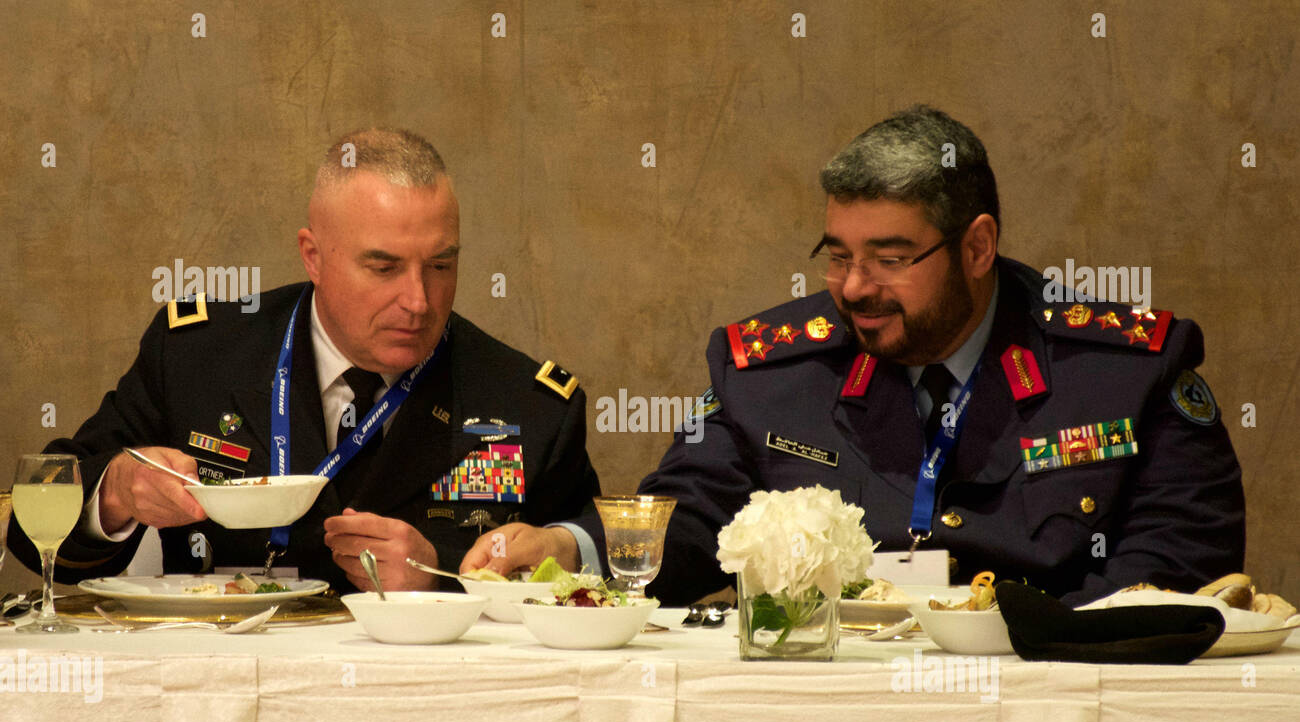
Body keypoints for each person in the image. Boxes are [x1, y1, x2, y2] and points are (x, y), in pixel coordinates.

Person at [464, 106, 1245, 606]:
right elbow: (695, 515)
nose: (854, 287)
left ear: (978, 246)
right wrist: (575, 547)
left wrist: (1024, 650)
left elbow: (1177, 567)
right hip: (823, 714)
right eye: (837, 254)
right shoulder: (771, 370)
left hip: (1050, 709)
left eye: (892, 257)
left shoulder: (1124, 372)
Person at [7, 129, 600, 592]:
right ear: (313, 256)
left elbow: (590, 572)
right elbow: (31, 512)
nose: (419, 301)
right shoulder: (197, 354)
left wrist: (445, 578)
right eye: (384, 267)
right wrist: (116, 491)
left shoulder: (527, 402)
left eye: (441, 266)